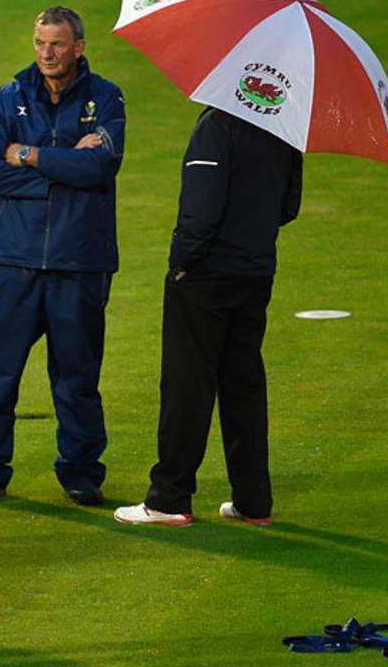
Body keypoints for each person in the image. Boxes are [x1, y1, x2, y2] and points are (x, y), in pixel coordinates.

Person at [0, 6, 126, 507]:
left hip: (80, 264)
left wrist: (28, 154)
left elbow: (101, 165)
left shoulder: (106, 97)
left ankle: (80, 473)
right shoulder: (11, 96)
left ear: (78, 47)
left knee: (77, 376)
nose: (46, 53)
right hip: (13, 262)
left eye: (56, 44)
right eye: (39, 43)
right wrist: (67, 165)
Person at [115, 107, 302, 527]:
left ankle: (168, 498)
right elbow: (289, 206)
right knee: (244, 384)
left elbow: (200, 206)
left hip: (206, 275)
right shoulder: (286, 127)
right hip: (256, 272)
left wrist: (183, 260)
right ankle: (253, 501)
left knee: (187, 383)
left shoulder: (217, 125)